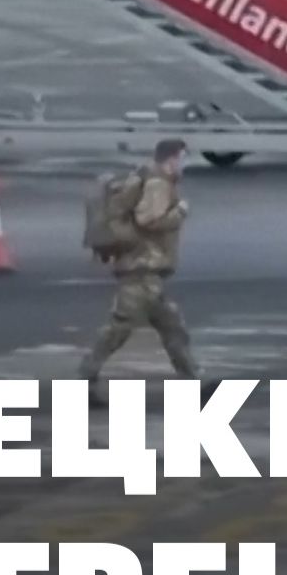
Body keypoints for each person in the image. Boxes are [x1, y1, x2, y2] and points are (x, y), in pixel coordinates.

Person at [78, 139, 200, 390]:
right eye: (182, 158)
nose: (184, 164)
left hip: (146, 269)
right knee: (119, 329)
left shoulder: (148, 178)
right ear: (171, 159)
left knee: (172, 327)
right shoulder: (158, 184)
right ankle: (85, 378)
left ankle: (192, 380)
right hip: (142, 269)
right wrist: (180, 212)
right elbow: (148, 220)